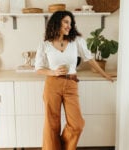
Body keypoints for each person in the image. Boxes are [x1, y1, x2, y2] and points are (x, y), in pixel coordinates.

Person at [35, 10, 113, 150]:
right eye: (66, 22)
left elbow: (89, 58)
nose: (69, 26)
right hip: (53, 84)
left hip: (71, 83)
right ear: (56, 22)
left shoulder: (76, 41)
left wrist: (105, 75)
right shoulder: (45, 44)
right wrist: (53, 72)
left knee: (77, 124)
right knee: (51, 123)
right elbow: (38, 68)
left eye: (70, 23)